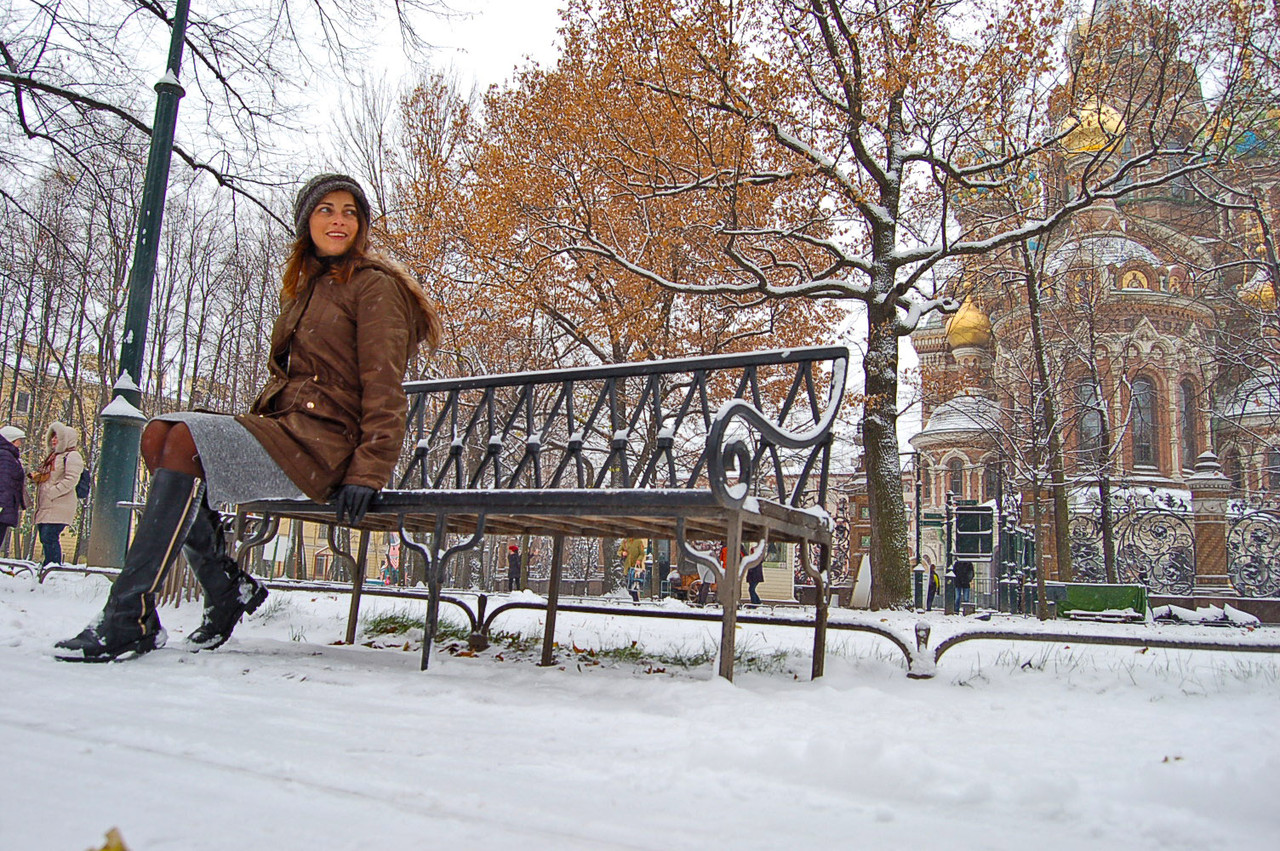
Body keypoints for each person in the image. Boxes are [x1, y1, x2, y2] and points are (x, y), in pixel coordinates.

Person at [55, 173, 442, 662]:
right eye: (326, 210)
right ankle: (220, 588)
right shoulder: (308, 289)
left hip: (327, 449)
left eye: (350, 211)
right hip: (289, 431)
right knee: (160, 434)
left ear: (362, 224)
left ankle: (131, 615)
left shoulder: (374, 288)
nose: (339, 220)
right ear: (307, 223)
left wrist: (370, 469)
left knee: (182, 440)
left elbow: (386, 387)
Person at [29, 422, 84, 568]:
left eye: (57, 437)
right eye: (52, 437)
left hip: (59, 504)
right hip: (47, 504)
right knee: (45, 536)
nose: (54, 440)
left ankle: (53, 566)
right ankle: (49, 565)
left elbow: (71, 479)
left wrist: (52, 492)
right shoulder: (53, 457)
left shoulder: (72, 456)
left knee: (50, 536)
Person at [0, 425, 27, 554]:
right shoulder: (6, 456)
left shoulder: (8, 456)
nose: (20, 444)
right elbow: (4, 482)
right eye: (18, 440)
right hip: (3, 505)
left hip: (6, 504)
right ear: (11, 440)